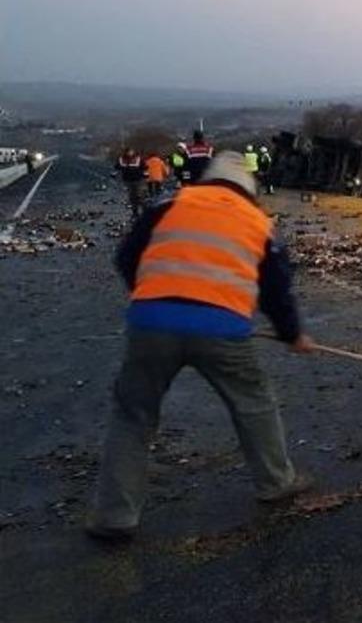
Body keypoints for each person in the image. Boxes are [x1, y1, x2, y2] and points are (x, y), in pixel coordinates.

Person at [86, 151, 315, 540]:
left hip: (151, 322)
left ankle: (114, 516)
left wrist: (150, 297)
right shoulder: (258, 221)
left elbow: (126, 256)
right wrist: (292, 333)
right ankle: (276, 481)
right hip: (221, 327)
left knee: (132, 416)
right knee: (254, 403)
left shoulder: (169, 204)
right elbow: (277, 290)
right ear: (248, 189)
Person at [113, 147, 147, 218]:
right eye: (128, 152)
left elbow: (145, 167)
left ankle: (145, 211)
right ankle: (135, 212)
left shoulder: (138, 159)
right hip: (128, 181)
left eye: (131, 152)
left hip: (139, 180)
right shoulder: (122, 160)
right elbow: (117, 167)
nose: (130, 153)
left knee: (140, 196)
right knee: (132, 197)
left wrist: (145, 173)